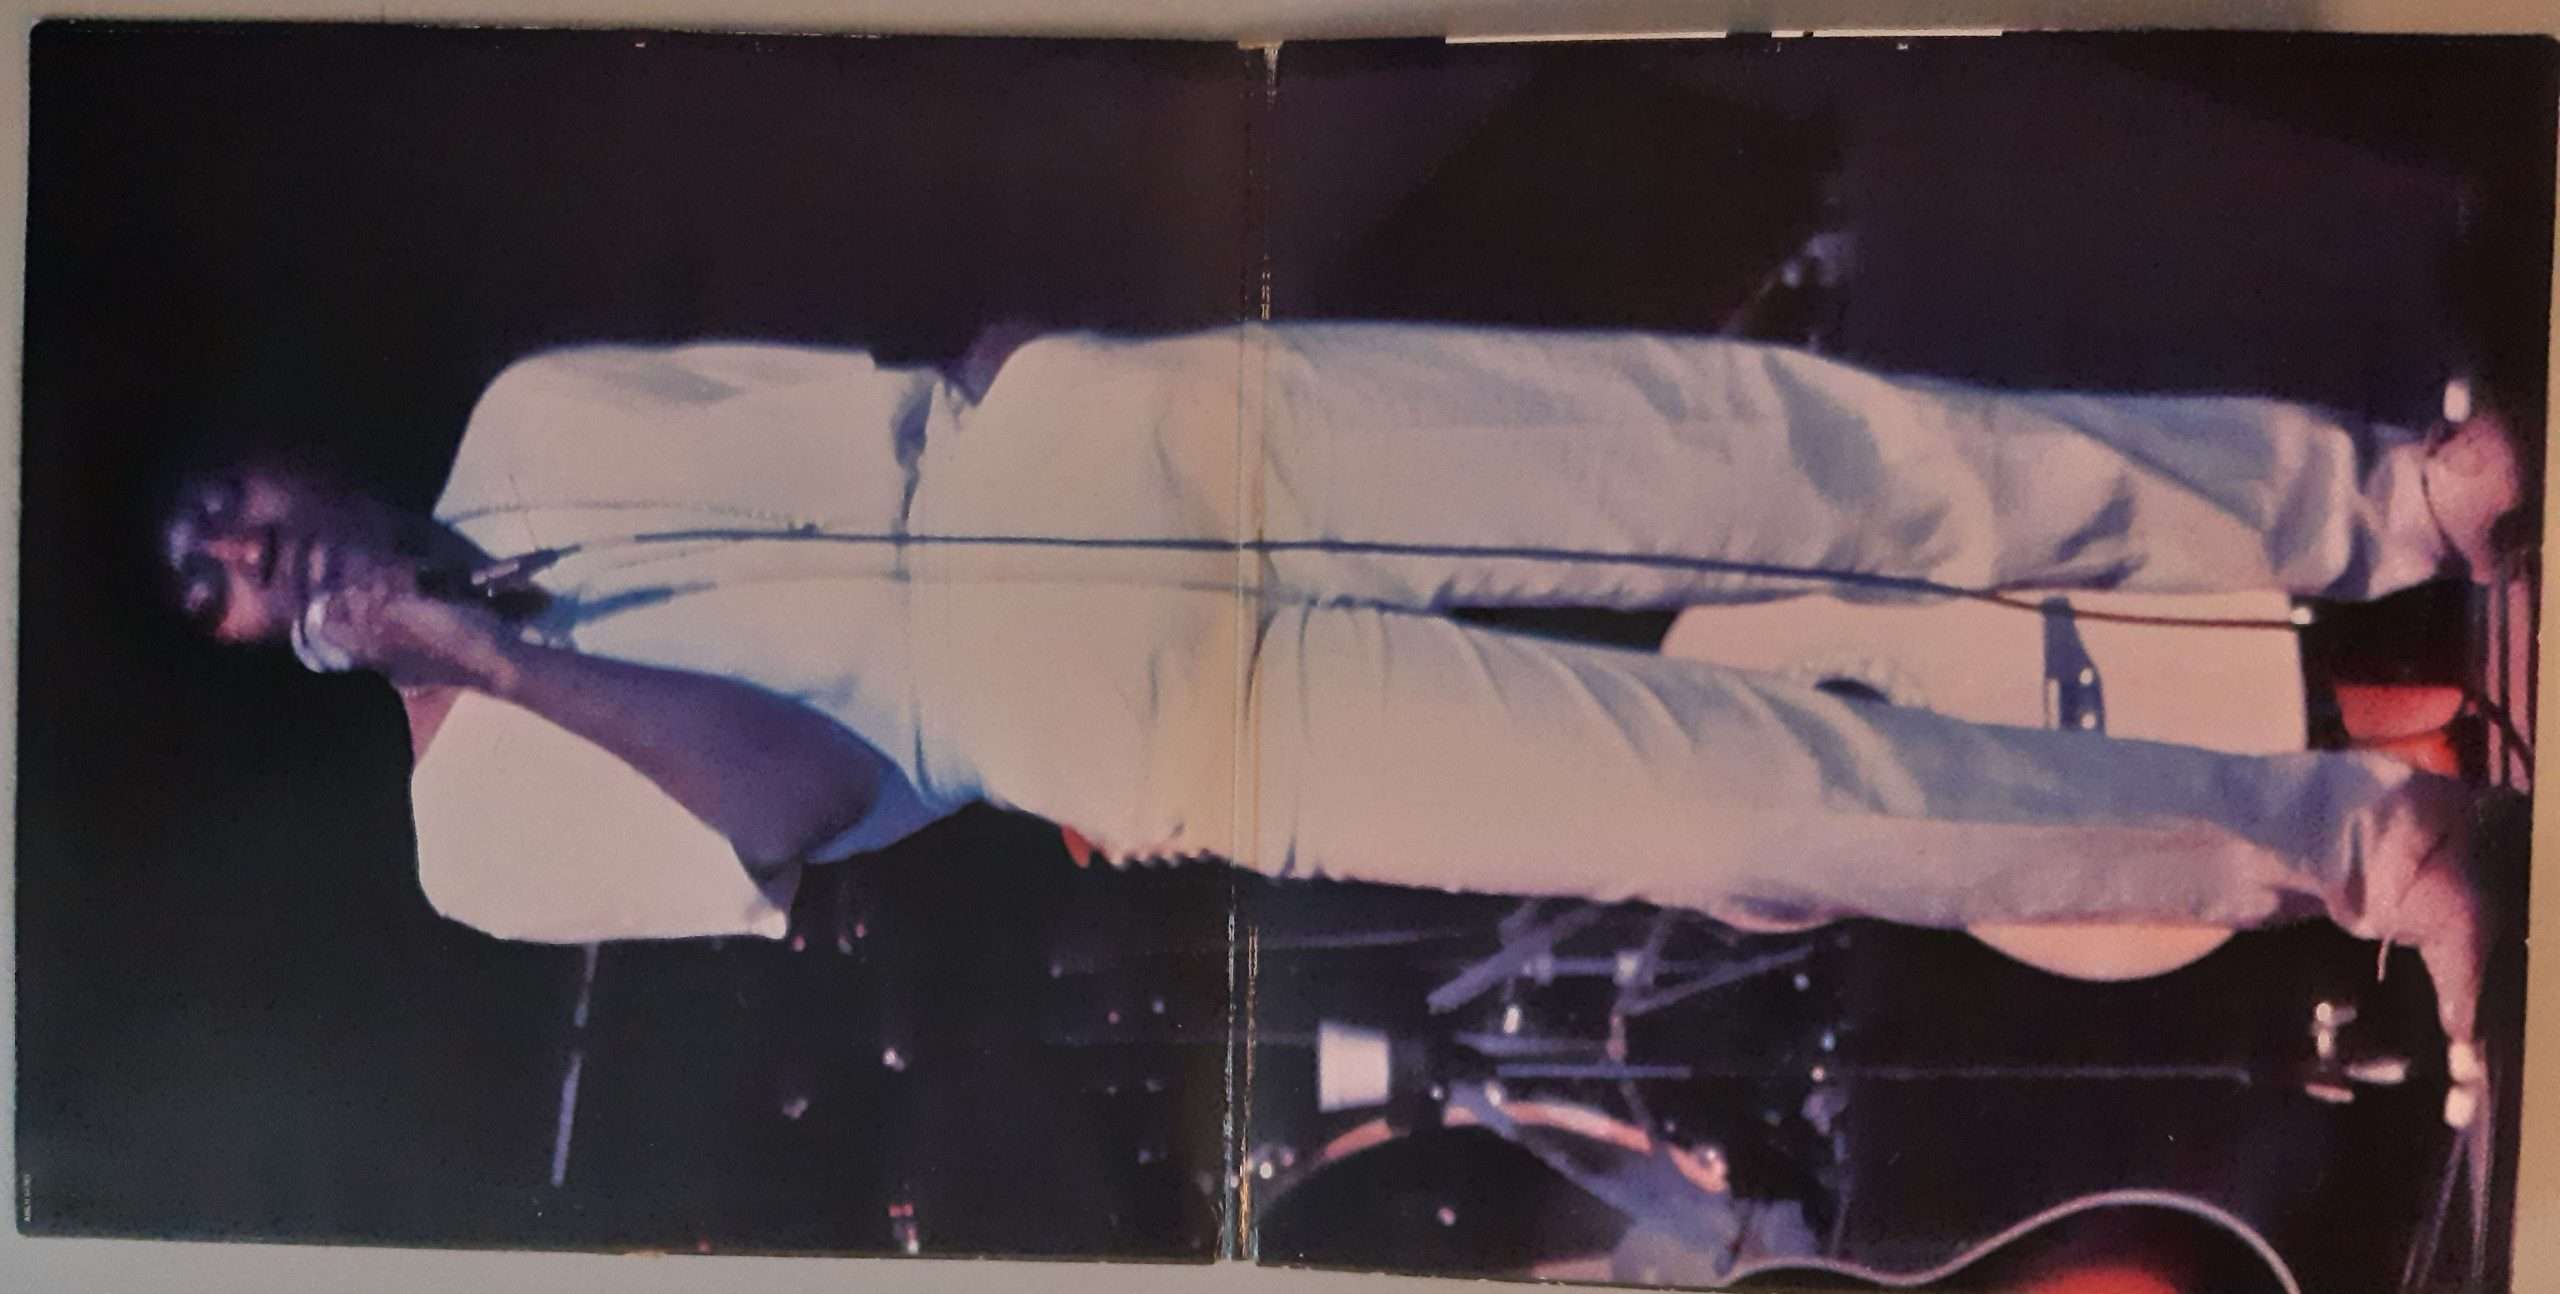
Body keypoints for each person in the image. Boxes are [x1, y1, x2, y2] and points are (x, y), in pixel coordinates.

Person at [156, 322, 2526, 1078]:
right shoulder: (473, 839)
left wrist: (1045, 378)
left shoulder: (529, 409)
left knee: (1776, 448)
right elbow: (788, 795)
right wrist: (483, 660)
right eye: (204, 588)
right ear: (247, 651)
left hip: (1108, 442)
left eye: (223, 503)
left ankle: (2388, 500)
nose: (247, 553)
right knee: (1750, 808)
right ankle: (2356, 844)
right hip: (1093, 722)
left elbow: (874, 388)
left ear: (278, 453)